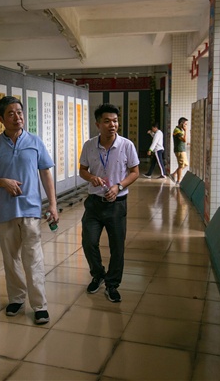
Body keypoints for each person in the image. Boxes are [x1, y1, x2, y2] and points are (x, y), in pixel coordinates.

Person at [0, 96, 58, 325]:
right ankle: (16, 298)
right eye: (11, 113)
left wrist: (53, 204)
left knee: (33, 258)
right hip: (5, 212)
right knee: (10, 259)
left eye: (20, 112)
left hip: (31, 210)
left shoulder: (35, 142)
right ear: (1, 119)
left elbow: (46, 173)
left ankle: (40, 305)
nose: (17, 117)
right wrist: (3, 182)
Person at [79, 103, 140, 303]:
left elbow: (135, 172)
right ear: (98, 124)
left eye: (115, 121)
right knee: (89, 241)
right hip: (94, 203)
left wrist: (119, 187)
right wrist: (91, 177)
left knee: (117, 247)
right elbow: (83, 170)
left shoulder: (126, 145)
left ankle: (112, 284)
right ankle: (98, 274)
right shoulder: (89, 145)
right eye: (107, 121)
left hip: (117, 204)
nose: (112, 125)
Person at [169, 117, 189, 186]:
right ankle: (178, 181)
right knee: (181, 166)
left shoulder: (180, 130)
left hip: (182, 150)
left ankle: (174, 174)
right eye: (185, 124)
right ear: (181, 123)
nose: (186, 126)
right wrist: (185, 131)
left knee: (185, 164)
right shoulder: (177, 130)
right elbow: (184, 140)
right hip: (179, 150)